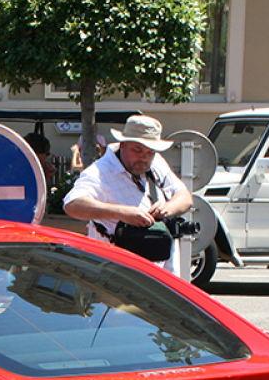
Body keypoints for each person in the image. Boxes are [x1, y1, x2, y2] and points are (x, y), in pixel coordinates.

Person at [63, 115, 193, 273]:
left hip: (163, 274)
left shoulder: (156, 162)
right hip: (117, 276)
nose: (143, 157)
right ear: (122, 144)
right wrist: (122, 212)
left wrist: (169, 208)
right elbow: (72, 205)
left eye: (150, 151)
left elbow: (185, 196)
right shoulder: (100, 171)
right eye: (137, 149)